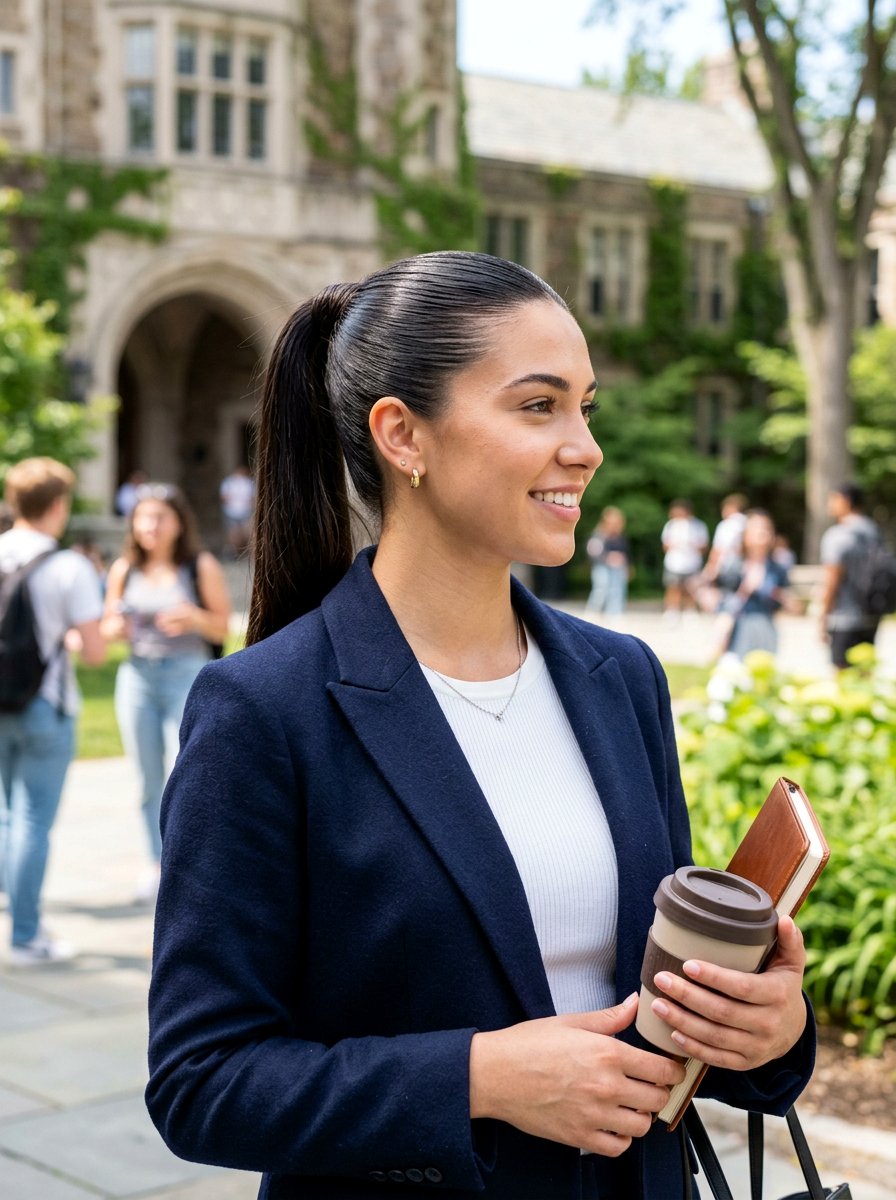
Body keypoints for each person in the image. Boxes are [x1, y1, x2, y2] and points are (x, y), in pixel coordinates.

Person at [146, 253, 814, 1200]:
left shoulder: (620, 677)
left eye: (586, 407)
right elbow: (200, 1081)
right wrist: (478, 1080)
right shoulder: (264, 711)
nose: (583, 445)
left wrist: (766, 1029)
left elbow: (656, 990)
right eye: (539, 406)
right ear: (402, 435)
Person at [100, 484, 230, 903]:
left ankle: (189, 861)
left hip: (185, 674)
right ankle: (156, 862)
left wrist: (193, 617)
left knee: (186, 771)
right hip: (137, 675)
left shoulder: (199, 565)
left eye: (160, 517)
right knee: (145, 777)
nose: (151, 526)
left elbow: (222, 627)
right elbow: (107, 626)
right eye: (143, 517)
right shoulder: (124, 569)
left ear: (178, 522)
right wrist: (116, 627)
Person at [0, 458, 106, 963]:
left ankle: (14, 903)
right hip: (45, 704)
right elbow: (94, 652)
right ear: (59, 505)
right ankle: (25, 934)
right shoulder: (69, 568)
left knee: (5, 817)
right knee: (32, 821)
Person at [712, 509, 796, 661]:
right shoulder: (734, 566)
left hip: (766, 627)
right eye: (756, 528)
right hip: (739, 628)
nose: (762, 533)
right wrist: (746, 588)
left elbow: (789, 604)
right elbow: (723, 603)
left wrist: (778, 595)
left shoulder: (777, 568)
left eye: (766, 528)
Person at [818, 483, 883, 669]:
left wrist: (822, 617)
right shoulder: (873, 531)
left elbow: (832, 580)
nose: (829, 504)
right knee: (864, 673)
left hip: (843, 617)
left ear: (845, 501)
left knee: (843, 678)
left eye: (833, 499)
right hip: (872, 612)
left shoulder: (838, 535)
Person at [660, 498, 708, 618]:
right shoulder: (670, 525)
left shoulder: (698, 526)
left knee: (691, 588)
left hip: (692, 562)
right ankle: (672, 611)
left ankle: (689, 611)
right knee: (672, 587)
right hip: (674, 562)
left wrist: (691, 544)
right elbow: (665, 545)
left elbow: (704, 545)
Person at [585, 506, 631, 616]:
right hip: (602, 566)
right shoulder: (599, 535)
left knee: (617, 591)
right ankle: (593, 612)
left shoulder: (620, 537)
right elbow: (593, 552)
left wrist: (627, 566)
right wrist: (608, 558)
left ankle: (614, 614)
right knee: (601, 589)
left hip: (618, 568)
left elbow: (626, 552)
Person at [704, 493, 747, 582]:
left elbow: (719, 548)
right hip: (746, 567)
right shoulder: (748, 521)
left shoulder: (726, 524)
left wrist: (711, 567)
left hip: (727, 566)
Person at [219, 464, 255, 558]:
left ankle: (249, 553)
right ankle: (234, 552)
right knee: (233, 533)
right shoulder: (228, 482)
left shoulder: (248, 483)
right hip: (231, 512)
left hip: (245, 512)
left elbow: (252, 498)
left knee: (247, 532)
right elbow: (223, 497)